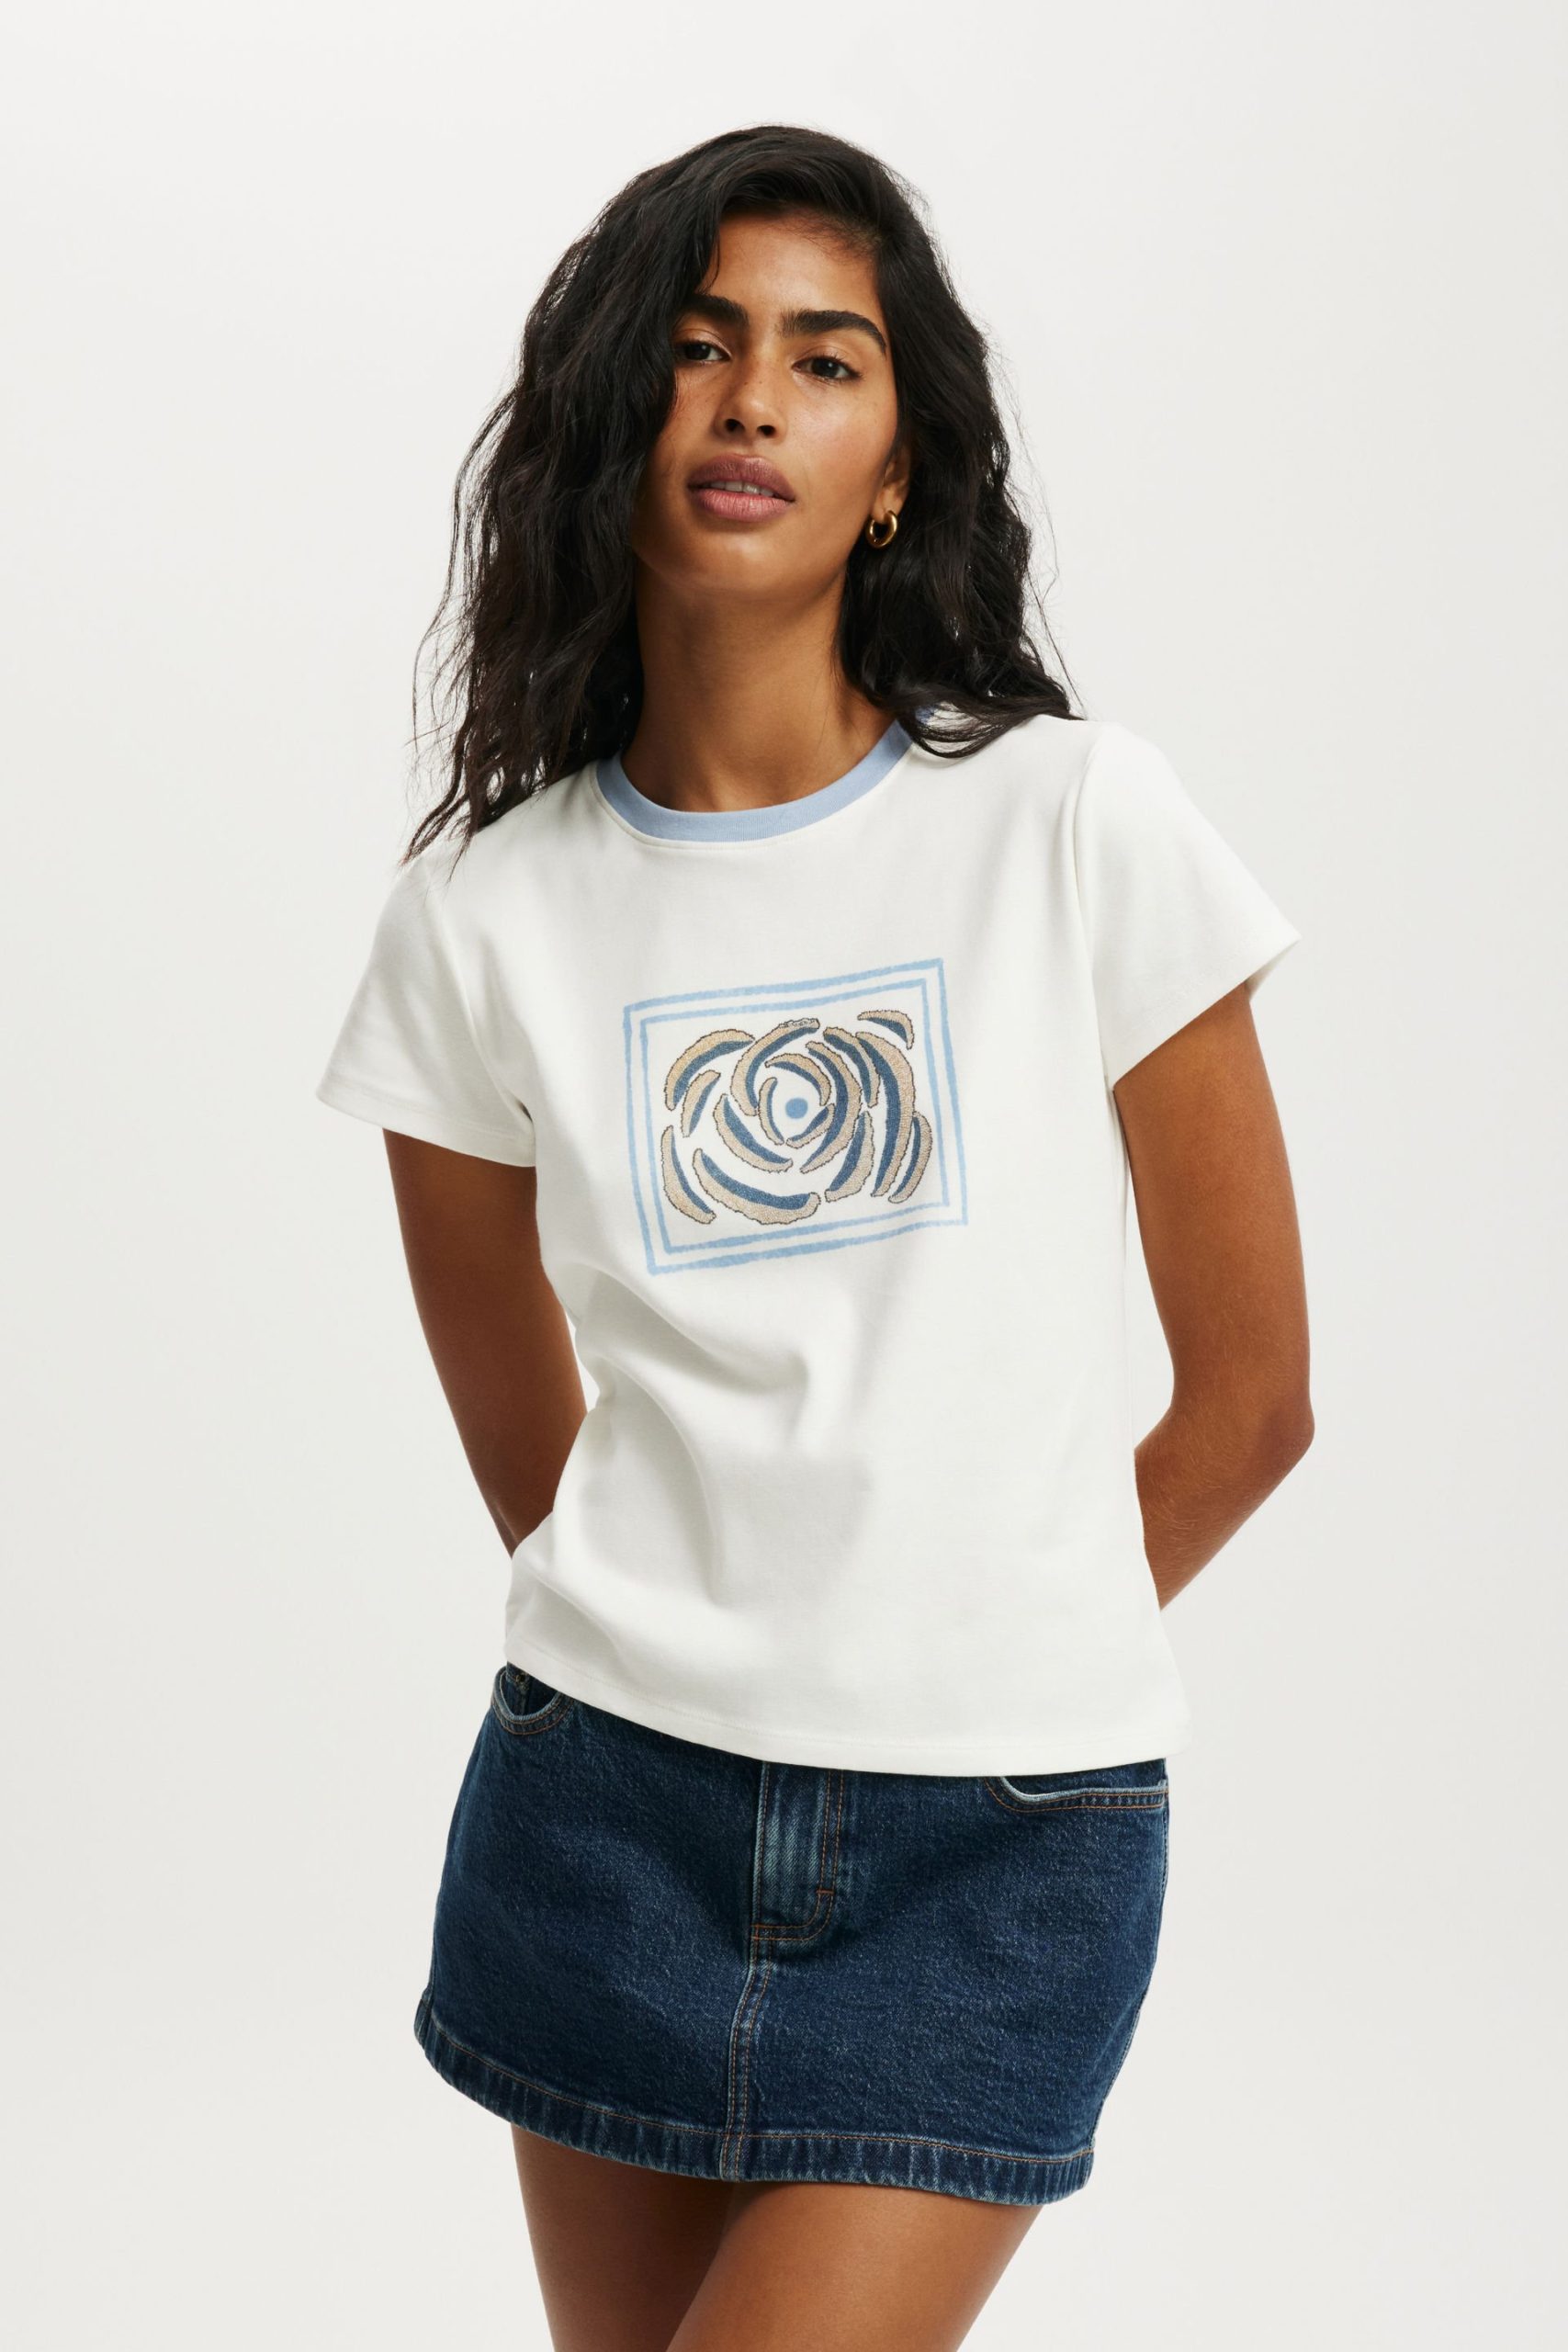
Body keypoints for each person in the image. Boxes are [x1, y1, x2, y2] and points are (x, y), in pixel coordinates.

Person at [315, 122, 1313, 2352]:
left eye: (822, 357)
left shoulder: (1071, 821)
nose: (750, 396)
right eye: (694, 347)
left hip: (997, 1843)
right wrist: (725, 1639)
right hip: (607, 1820)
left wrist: (973, 1632)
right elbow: (533, 1458)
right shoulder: (477, 919)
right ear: (612, 422)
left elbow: (1252, 1400)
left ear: (894, 471)